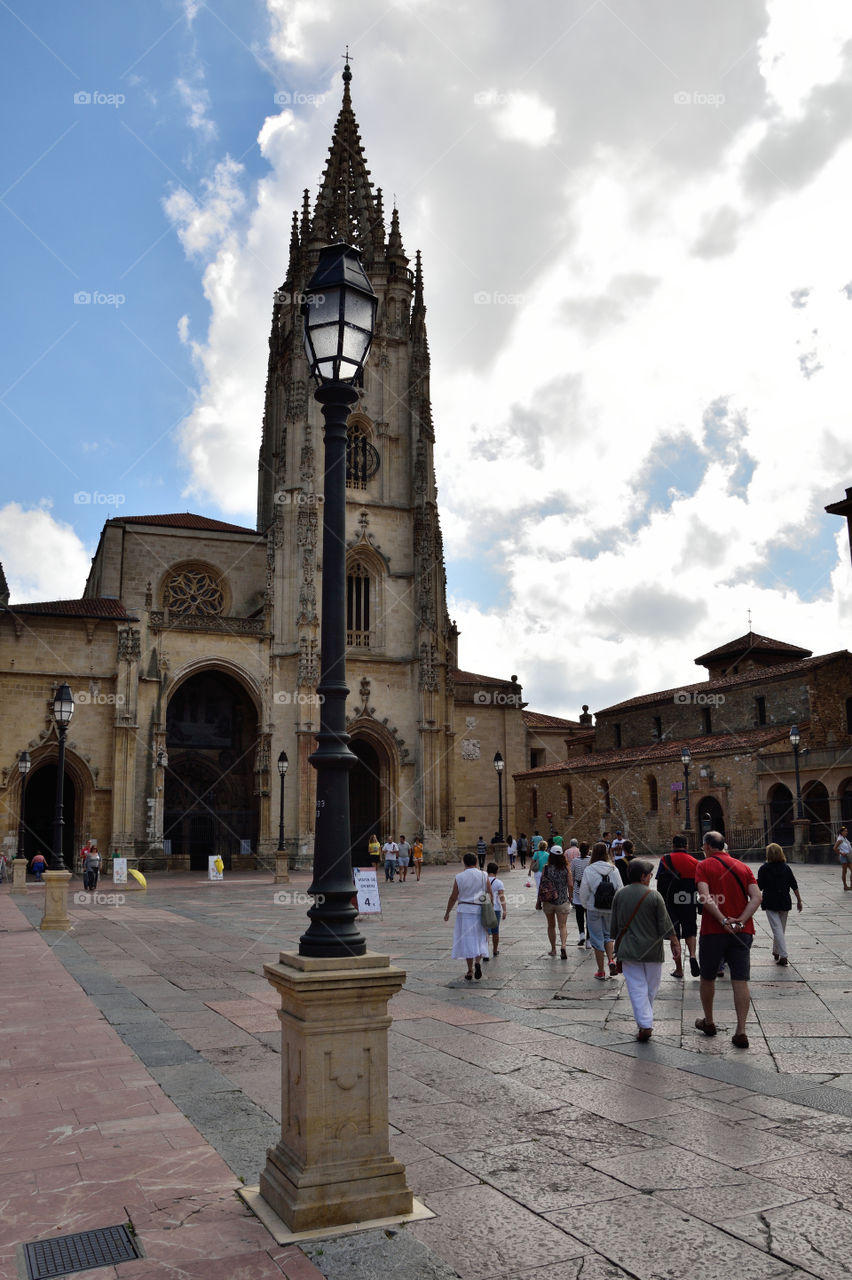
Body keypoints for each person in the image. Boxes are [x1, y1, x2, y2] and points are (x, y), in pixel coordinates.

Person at [695, 830, 761, 1048]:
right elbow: (757, 897)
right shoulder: (743, 867)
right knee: (740, 980)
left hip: (713, 931)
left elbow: (704, 897)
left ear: (706, 846)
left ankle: (709, 1021)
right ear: (723, 846)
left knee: (708, 977)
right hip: (742, 932)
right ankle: (741, 1030)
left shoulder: (703, 866)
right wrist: (740, 921)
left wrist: (723, 920)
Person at [611, 858, 681, 1040]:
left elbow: (614, 926)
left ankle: (645, 1023)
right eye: (649, 874)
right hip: (652, 950)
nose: (651, 877)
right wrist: (674, 942)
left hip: (628, 949)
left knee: (636, 988)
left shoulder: (620, 894)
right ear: (642, 876)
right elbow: (665, 923)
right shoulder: (654, 896)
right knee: (651, 988)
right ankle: (645, 1023)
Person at [655, 834, 702, 978]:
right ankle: (693, 955)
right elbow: (699, 884)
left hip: (670, 902)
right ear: (686, 846)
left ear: (673, 845)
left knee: (673, 935)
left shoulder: (666, 859)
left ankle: (679, 969)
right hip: (688, 900)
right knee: (690, 930)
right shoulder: (695, 862)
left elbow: (659, 881)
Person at [444, 851, 493, 980]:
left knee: (467, 939)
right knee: (480, 937)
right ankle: (478, 963)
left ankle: (470, 970)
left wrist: (447, 912)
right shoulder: (484, 875)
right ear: (476, 862)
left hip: (464, 910)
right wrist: (491, 908)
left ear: (464, 863)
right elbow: (490, 893)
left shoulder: (459, 877)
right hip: (479, 909)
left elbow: (454, 897)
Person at [757, 843, 803, 966]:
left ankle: (783, 955)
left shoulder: (764, 868)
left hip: (770, 902)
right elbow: (794, 885)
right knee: (780, 929)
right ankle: (776, 951)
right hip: (784, 901)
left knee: (777, 929)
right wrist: (799, 900)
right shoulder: (786, 868)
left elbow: (759, 886)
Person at [579, 841, 619, 978]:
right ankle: (611, 960)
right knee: (608, 935)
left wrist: (585, 905)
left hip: (593, 907)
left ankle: (601, 970)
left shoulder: (589, 869)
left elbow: (583, 891)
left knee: (596, 938)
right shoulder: (614, 869)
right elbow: (620, 888)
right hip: (610, 907)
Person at [536, 847, 572, 958]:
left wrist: (538, 901)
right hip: (562, 900)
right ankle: (564, 946)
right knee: (563, 926)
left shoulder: (546, 868)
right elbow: (570, 885)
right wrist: (571, 897)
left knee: (551, 925)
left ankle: (553, 949)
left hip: (549, 901)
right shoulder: (566, 868)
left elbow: (541, 886)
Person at [485, 860, 507, 959]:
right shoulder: (498, 882)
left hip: (485, 908)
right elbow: (501, 897)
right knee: (495, 931)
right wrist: (505, 910)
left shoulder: (483, 881)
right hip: (496, 909)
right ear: (496, 871)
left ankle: (485, 952)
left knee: (485, 932)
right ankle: (494, 950)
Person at [571, 842, 591, 945]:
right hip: (589, 891)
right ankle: (588, 940)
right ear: (588, 850)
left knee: (579, 914)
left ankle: (581, 934)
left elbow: (572, 876)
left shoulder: (574, 861)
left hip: (578, 890)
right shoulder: (591, 861)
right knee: (589, 916)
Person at [834, 825, 852, 890]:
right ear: (841, 832)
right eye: (845, 831)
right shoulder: (840, 839)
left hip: (848, 856)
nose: (846, 832)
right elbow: (834, 848)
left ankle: (851, 885)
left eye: (847, 831)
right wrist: (841, 853)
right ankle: (845, 886)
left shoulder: (845, 839)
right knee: (844, 872)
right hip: (844, 857)